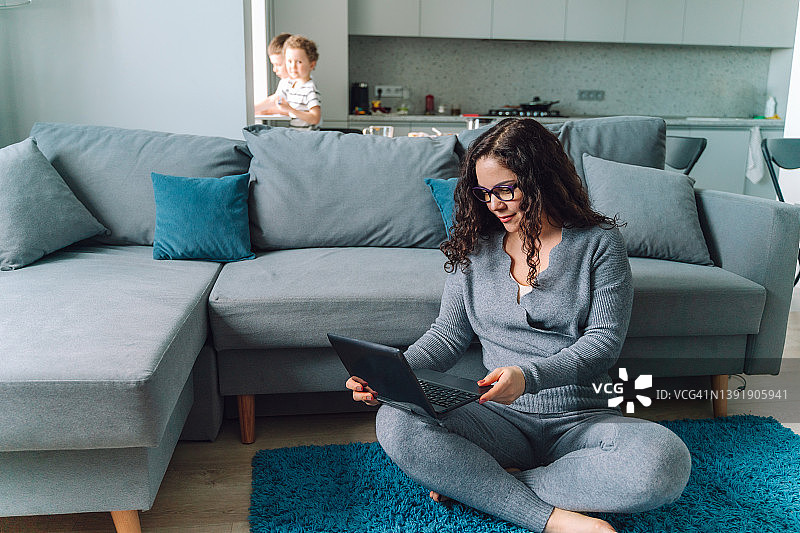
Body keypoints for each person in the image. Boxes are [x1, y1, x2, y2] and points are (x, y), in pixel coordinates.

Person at [346, 118, 691, 533]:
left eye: (506, 189)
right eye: (484, 193)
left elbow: (603, 343)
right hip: (496, 419)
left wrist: (528, 377)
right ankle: (550, 519)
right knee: (395, 420)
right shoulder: (475, 245)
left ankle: (484, 484)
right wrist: (390, 375)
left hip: (581, 420)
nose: (495, 204)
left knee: (664, 463)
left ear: (541, 178)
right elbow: (447, 336)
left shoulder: (598, 242)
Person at [275, 35, 321, 129]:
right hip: (295, 134)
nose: (293, 66)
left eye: (299, 62)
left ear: (312, 65)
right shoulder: (291, 85)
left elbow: (315, 118)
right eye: (289, 61)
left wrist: (290, 109)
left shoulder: (310, 89)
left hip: (307, 136)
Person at [254, 33, 293, 116]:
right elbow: (275, 100)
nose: (274, 69)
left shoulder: (302, 83)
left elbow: (299, 110)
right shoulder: (285, 82)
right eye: (273, 65)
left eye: (278, 64)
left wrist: (266, 111)